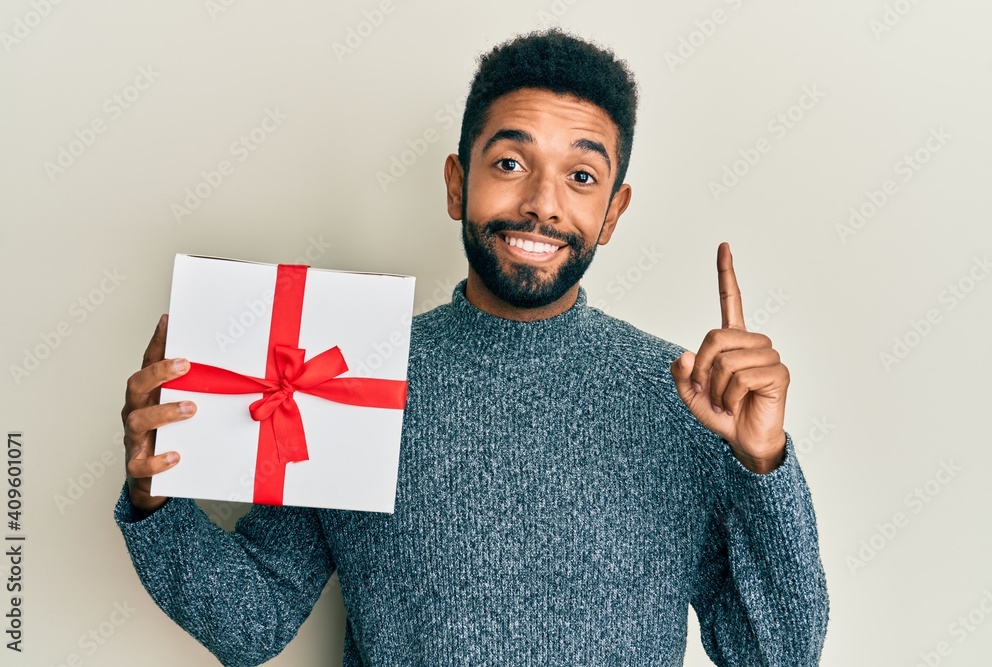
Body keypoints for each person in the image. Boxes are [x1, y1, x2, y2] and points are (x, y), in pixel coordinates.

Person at [116, 28, 828, 666]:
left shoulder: (689, 398)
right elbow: (254, 621)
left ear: (613, 211)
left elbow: (777, 656)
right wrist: (155, 499)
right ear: (457, 185)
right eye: (511, 163)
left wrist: (763, 466)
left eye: (581, 177)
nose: (544, 203)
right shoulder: (352, 376)